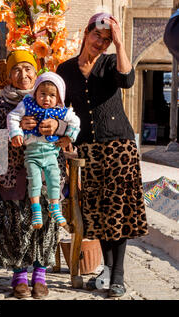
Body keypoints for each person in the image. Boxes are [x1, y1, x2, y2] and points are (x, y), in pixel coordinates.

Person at [56, 13, 148, 298]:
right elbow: (63, 111)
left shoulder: (110, 62)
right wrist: (65, 138)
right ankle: (107, 275)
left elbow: (127, 79)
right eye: (98, 36)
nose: (101, 43)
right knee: (99, 214)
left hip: (119, 148)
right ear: (86, 33)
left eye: (106, 40)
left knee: (118, 213)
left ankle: (117, 276)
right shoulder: (66, 69)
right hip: (88, 151)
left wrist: (120, 45)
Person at [0, 50, 69, 299]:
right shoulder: (3, 104)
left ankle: (40, 274)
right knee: (17, 222)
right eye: (17, 70)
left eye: (28, 69)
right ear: (9, 76)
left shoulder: (50, 98)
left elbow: (69, 129)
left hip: (47, 174)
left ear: (36, 72)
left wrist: (57, 126)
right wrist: (15, 130)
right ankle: (19, 275)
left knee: (45, 221)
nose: (23, 75)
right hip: (13, 174)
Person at [7, 72, 80, 229]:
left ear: (59, 97)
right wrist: (16, 132)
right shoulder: (27, 104)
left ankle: (54, 208)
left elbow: (75, 121)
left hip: (51, 153)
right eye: (43, 94)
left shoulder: (60, 111)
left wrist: (68, 136)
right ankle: (36, 211)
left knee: (54, 178)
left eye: (52, 95)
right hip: (31, 154)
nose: (47, 99)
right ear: (35, 93)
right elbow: (11, 118)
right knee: (35, 180)